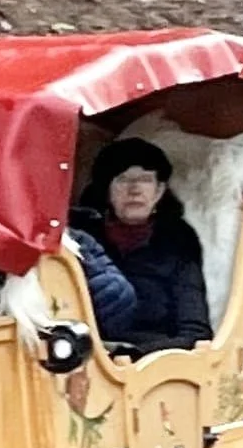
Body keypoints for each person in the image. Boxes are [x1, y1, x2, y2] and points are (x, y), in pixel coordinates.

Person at [69, 136, 212, 352]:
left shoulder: (178, 239)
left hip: (154, 361)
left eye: (145, 179)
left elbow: (195, 333)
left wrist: (135, 355)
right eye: (123, 179)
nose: (135, 189)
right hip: (80, 353)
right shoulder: (80, 232)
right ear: (107, 189)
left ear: (159, 191)